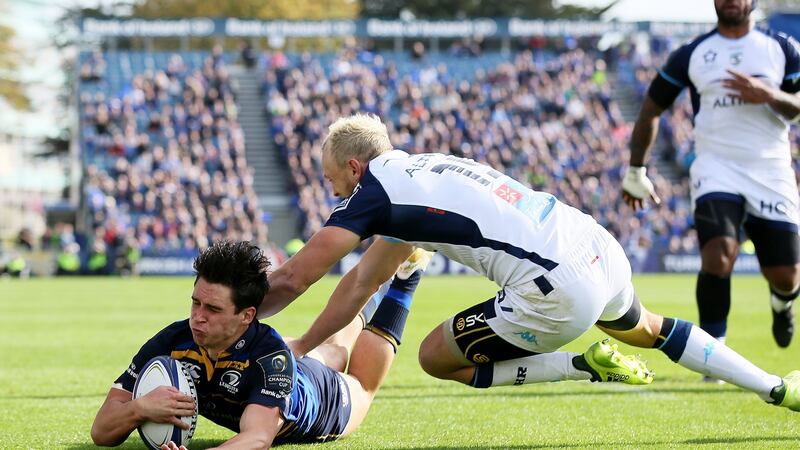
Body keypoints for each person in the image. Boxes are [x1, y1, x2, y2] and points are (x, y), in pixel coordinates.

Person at [259, 112, 800, 415]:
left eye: (332, 182)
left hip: (555, 287)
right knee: (649, 329)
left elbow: (298, 276)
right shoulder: (424, 169)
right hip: (593, 243)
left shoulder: (375, 191)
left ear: (354, 168)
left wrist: (293, 342)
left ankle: (581, 366)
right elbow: (364, 278)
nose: (333, 192)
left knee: (433, 358)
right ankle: (776, 386)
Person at [90, 240, 426, 449]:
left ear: (246, 315)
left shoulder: (270, 357)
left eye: (213, 309)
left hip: (322, 400)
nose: (197, 317)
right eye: (195, 303)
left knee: (363, 384)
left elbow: (257, 438)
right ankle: (381, 276)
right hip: (295, 364)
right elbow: (101, 430)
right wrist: (139, 408)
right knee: (334, 348)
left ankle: (405, 280)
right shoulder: (172, 341)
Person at [621, 0, 800, 351]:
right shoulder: (692, 53)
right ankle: (711, 352)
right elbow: (651, 108)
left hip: (770, 169)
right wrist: (635, 169)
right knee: (718, 255)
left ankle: (783, 304)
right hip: (715, 168)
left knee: (787, 275)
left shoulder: (782, 48)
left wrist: (768, 95)